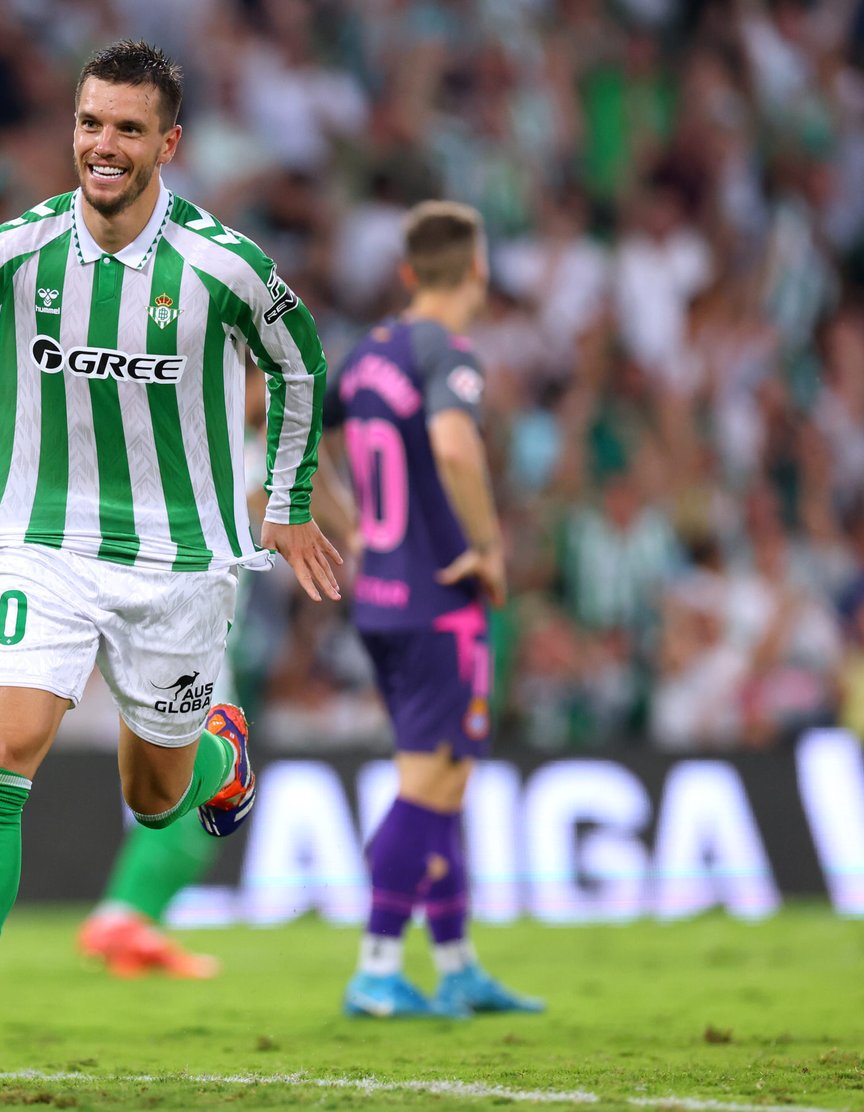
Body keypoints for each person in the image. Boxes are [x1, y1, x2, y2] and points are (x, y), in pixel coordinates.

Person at [0, 39, 342, 1068]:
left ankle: (217, 751)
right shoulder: (15, 249)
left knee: (158, 791)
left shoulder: (223, 263)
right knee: (1, 738)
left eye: (125, 128)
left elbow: (299, 367)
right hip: (41, 535)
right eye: (88, 123)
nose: (102, 145)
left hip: (177, 561)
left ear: (168, 141)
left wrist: (290, 502)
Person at [318, 201, 543, 1019]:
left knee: (444, 783)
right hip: (440, 600)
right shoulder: (447, 353)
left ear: (410, 273)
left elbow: (297, 450)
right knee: (430, 785)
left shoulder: (366, 354)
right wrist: (487, 545)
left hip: (381, 601)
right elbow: (454, 445)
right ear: (477, 271)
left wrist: (360, 536)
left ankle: (455, 963)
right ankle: (378, 967)